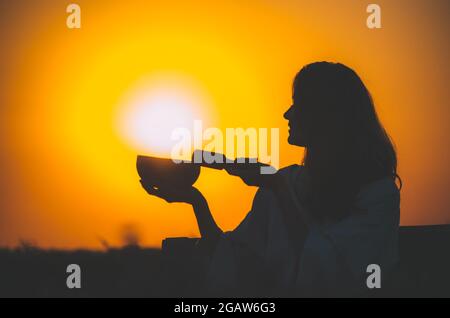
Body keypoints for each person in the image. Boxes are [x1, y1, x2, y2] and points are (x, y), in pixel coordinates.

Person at [140, 61, 401, 297]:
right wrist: (196, 202)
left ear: (326, 116)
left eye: (298, 104)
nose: (287, 114)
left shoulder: (378, 197)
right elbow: (233, 262)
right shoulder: (286, 183)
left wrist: (277, 187)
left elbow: (326, 273)